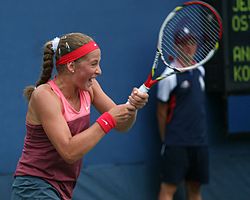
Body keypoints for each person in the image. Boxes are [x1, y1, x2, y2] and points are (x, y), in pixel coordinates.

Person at [11, 32, 148, 200]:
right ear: (71, 66)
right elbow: (69, 152)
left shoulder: (90, 87)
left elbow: (122, 125)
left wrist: (132, 107)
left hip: (60, 188)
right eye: (94, 64)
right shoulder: (45, 95)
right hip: (34, 187)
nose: (99, 71)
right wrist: (108, 119)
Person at [157, 30, 209, 200]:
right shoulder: (168, 76)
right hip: (177, 144)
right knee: (168, 190)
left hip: (199, 142)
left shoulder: (200, 70)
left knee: (195, 189)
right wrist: (167, 140)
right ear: (176, 46)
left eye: (192, 42)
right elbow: (161, 112)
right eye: (183, 43)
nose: (188, 47)